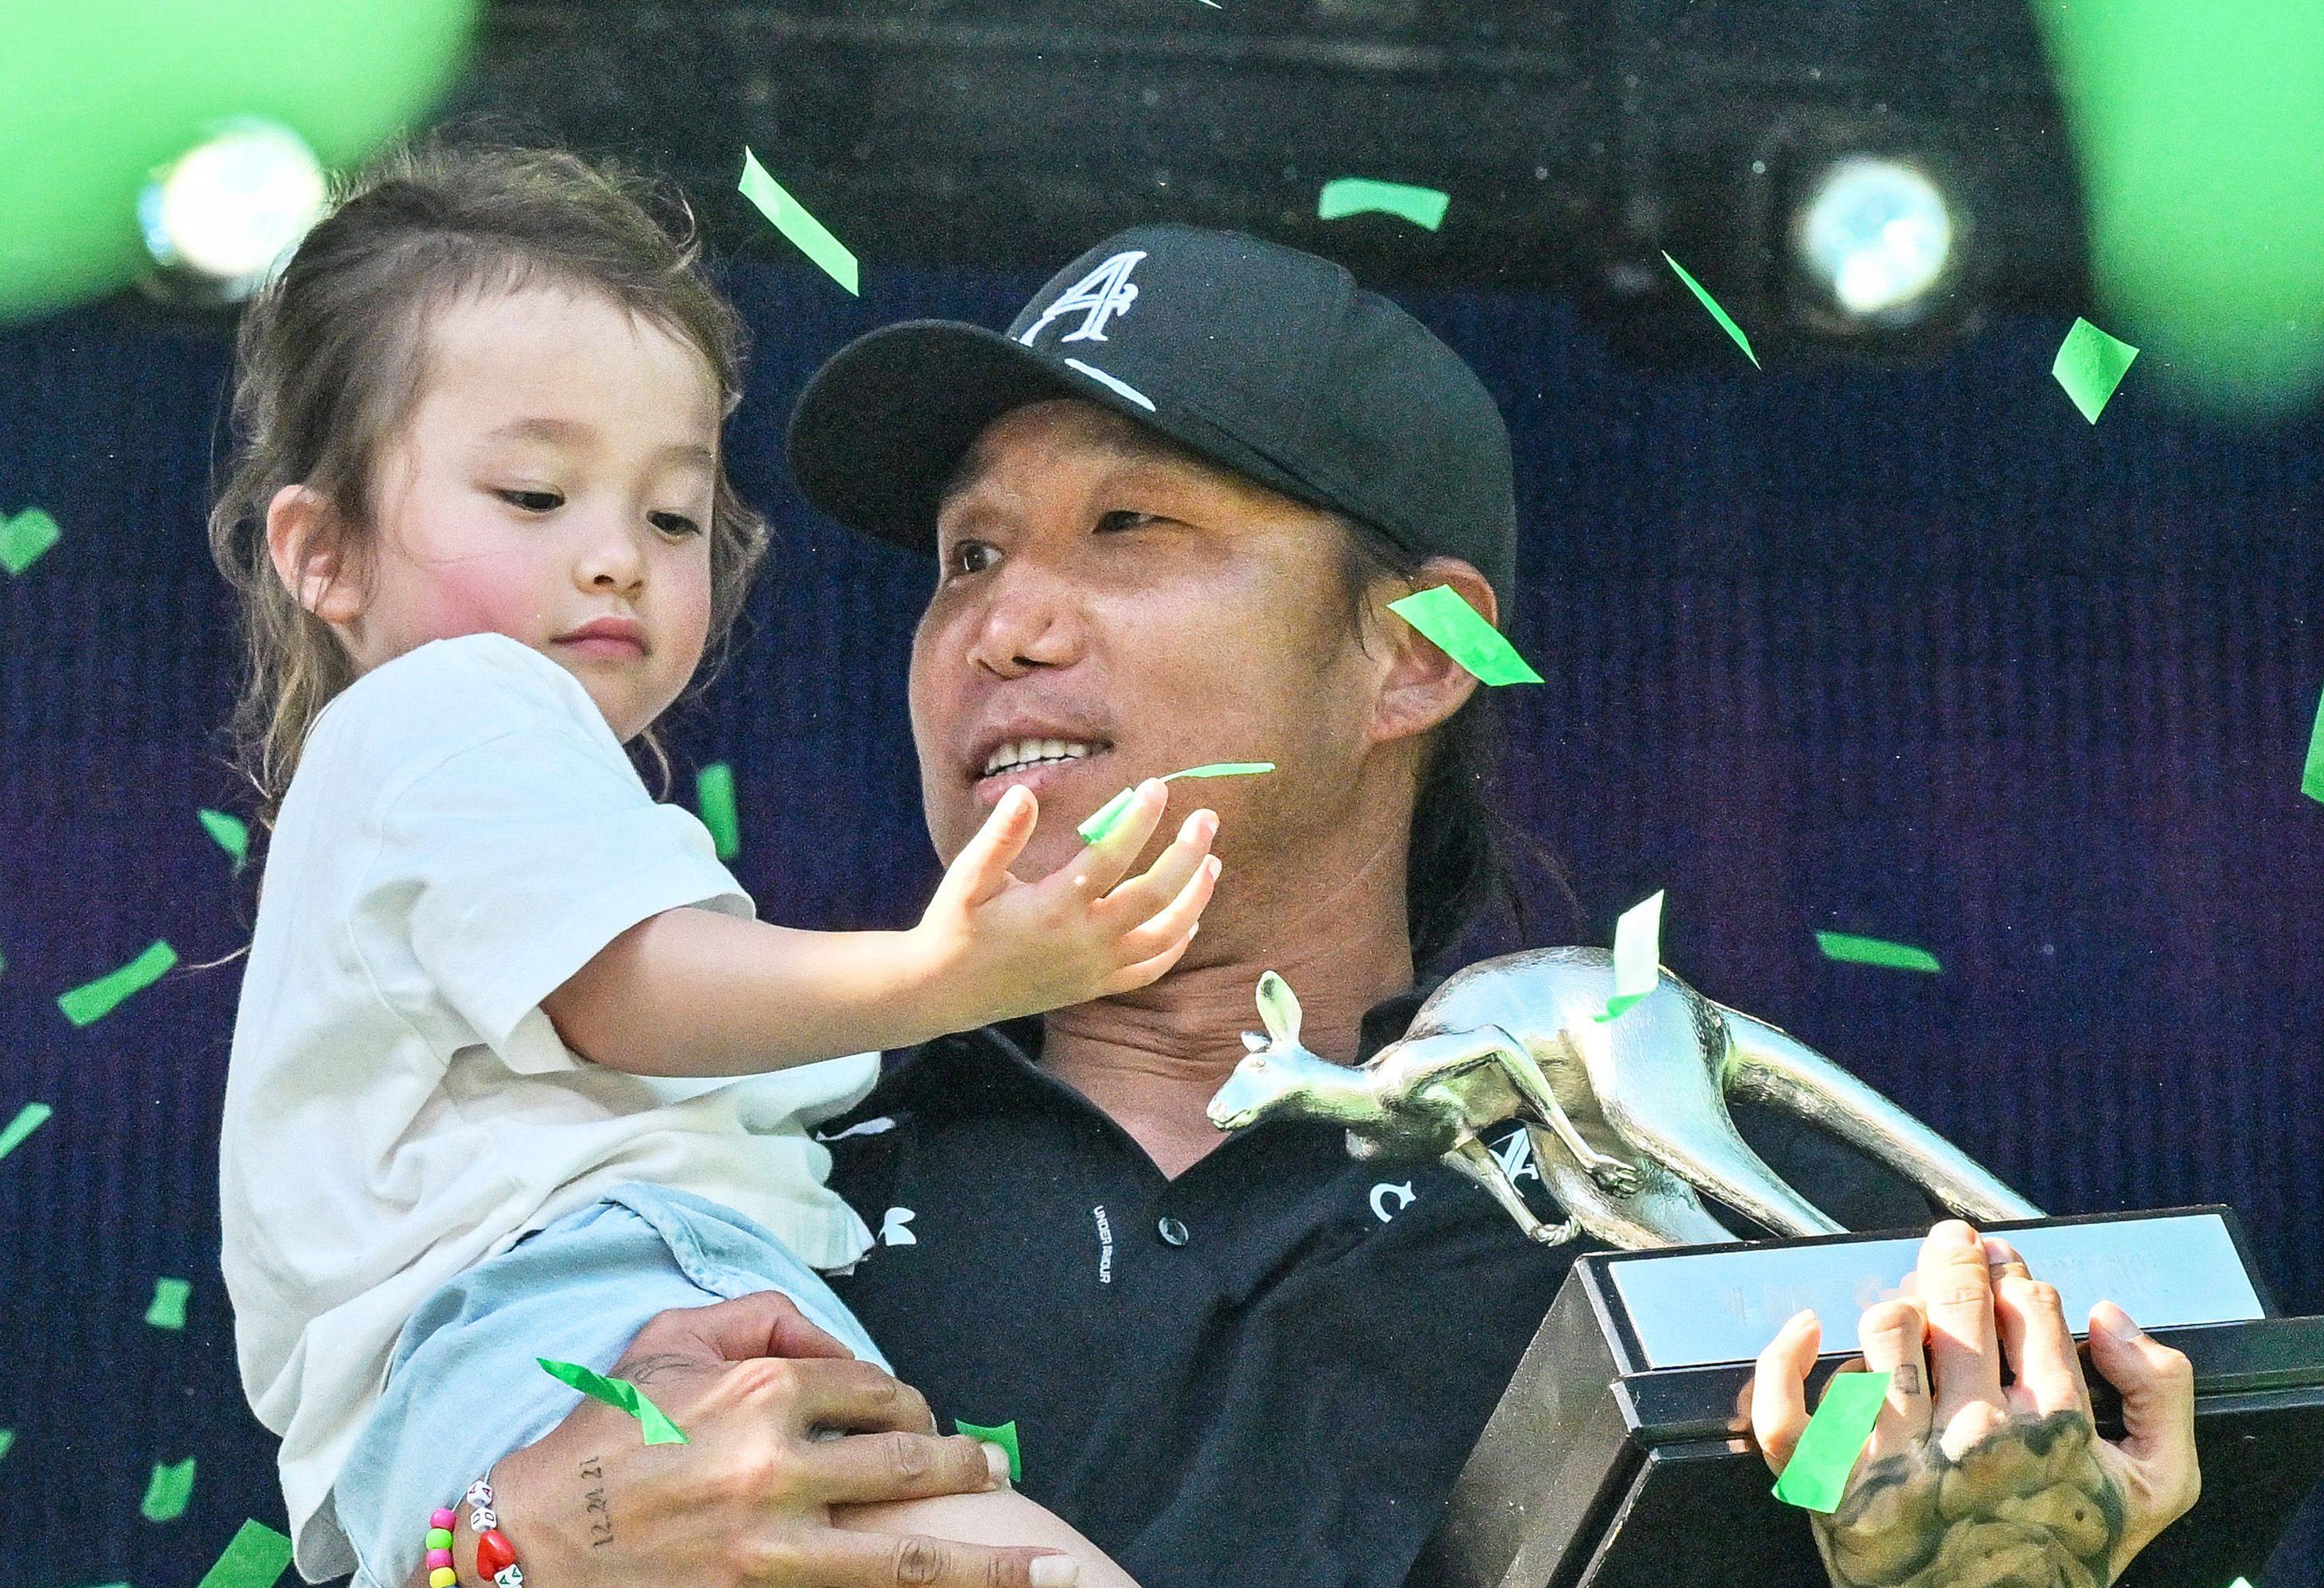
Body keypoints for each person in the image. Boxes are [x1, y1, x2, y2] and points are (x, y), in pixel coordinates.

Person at [349, 224, 2202, 1588]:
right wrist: (511, 1547)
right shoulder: (739, 1176)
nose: (1005, 623)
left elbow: (1887, 1519)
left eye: (1130, 529)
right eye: (967, 555)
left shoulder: (1704, 1227)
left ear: (1408, 654)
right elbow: (427, 1524)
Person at [207, 141, 1220, 1588]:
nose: (618, 556)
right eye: (534, 495)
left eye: (673, 515)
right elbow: (625, 990)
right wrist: (948, 971)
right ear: (324, 555)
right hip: (586, 1308)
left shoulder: (460, 783)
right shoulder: (452, 714)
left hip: (489, 1406)